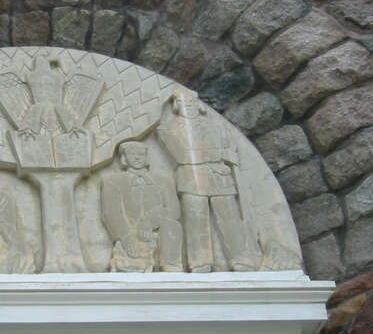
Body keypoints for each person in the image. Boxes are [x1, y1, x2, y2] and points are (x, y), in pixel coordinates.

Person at [157, 88, 262, 272]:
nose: (188, 106)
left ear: (198, 105)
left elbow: (231, 151)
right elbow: (182, 155)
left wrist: (221, 155)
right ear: (176, 106)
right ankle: (200, 261)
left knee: (229, 217)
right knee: (196, 219)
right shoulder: (169, 128)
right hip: (191, 177)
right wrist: (215, 154)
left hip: (219, 176)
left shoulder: (216, 126)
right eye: (183, 103)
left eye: (191, 103)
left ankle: (241, 258)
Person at [100, 141, 183, 272]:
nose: (137, 157)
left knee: (173, 225)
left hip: (156, 231)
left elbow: (174, 210)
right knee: (130, 264)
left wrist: (149, 221)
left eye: (141, 154)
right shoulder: (112, 181)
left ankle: (170, 265)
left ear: (147, 158)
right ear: (124, 158)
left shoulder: (164, 180)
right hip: (129, 232)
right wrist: (125, 236)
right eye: (132, 154)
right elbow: (111, 212)